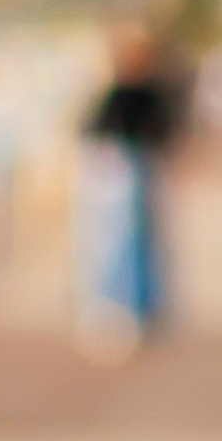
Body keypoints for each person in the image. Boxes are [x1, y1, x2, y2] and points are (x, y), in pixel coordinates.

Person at [70, 21, 184, 360]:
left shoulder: (147, 93)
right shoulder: (117, 91)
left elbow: (161, 130)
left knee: (130, 244)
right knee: (113, 243)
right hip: (117, 174)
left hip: (135, 171)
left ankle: (131, 308)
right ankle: (115, 306)